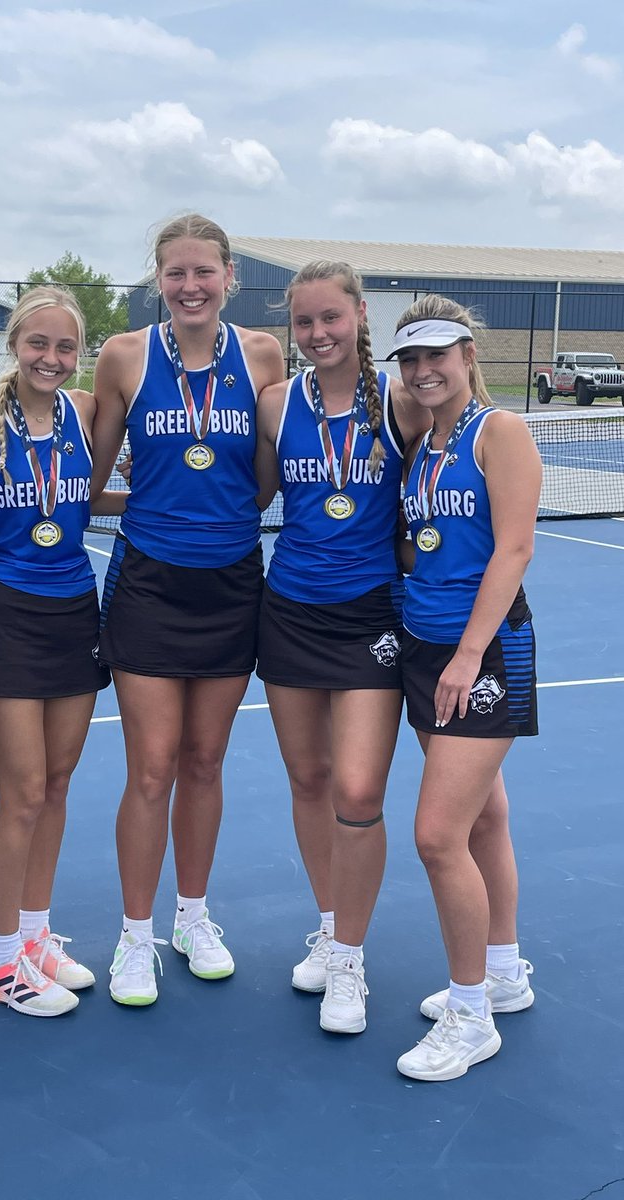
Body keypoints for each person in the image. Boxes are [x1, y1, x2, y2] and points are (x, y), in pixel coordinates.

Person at [90, 213, 284, 1005]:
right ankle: (135, 937)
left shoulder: (264, 355)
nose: (191, 285)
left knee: (205, 763)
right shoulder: (124, 356)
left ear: (229, 277)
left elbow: (269, 477)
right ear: (157, 280)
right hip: (149, 586)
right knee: (152, 767)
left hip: (233, 584)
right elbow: (89, 477)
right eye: (176, 273)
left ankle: (192, 917)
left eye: (205, 272)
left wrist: (219, 517)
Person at [254, 260, 431, 1034]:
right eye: (304, 322)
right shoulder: (274, 405)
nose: (319, 334)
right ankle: (329, 930)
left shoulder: (402, 404)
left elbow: (444, 491)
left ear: (359, 315)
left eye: (332, 318)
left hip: (371, 620)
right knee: (308, 779)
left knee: (358, 794)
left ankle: (351, 961)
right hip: (289, 611)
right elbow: (250, 494)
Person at [0, 285, 124, 1018]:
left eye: (64, 347)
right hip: (8, 620)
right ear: (15, 345)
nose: (51, 357)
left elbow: (83, 498)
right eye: (37, 343)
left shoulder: (85, 415)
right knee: (20, 796)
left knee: (55, 787)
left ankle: (34, 936)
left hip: (76, 614)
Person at [388, 295, 540, 1081]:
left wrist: (468, 653)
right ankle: (504, 972)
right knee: (486, 816)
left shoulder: (499, 432)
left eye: (435, 356)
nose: (422, 372)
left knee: (436, 836)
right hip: (423, 643)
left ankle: (471, 1011)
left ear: (468, 354)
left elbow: (515, 546)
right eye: (409, 361)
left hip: (478, 654)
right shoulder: (424, 443)